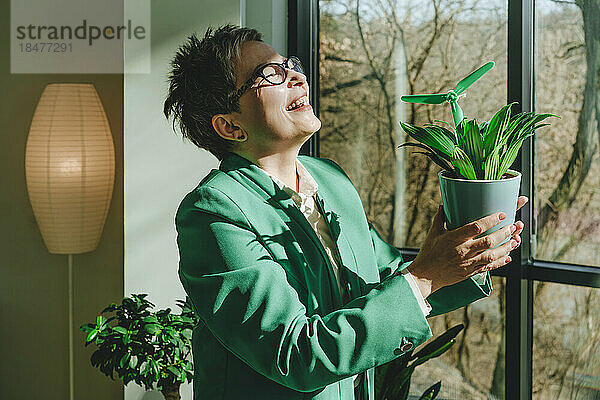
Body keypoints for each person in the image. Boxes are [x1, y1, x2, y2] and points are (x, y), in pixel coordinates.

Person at [163, 24, 526, 400]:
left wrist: (468, 253)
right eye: (268, 74)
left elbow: (383, 280)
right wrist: (425, 276)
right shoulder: (212, 212)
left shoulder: (330, 179)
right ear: (229, 126)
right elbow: (297, 354)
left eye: (290, 64)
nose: (296, 76)